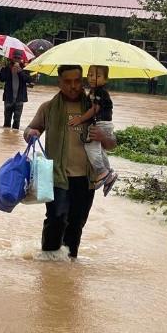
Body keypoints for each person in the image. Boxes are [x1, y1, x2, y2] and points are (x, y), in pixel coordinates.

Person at [24, 64, 116, 259]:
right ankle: (48, 263)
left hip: (86, 179)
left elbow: (111, 144)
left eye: (77, 81)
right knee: (56, 219)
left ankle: (69, 264)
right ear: (59, 82)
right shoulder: (48, 108)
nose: (73, 86)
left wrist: (103, 136)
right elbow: (31, 130)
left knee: (77, 223)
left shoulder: (95, 108)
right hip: (57, 176)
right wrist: (31, 133)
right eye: (67, 82)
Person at [67, 65, 118, 196]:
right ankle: (108, 174)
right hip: (104, 123)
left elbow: (94, 109)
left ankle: (103, 172)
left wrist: (80, 119)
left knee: (91, 148)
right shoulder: (93, 93)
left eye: (97, 76)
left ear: (105, 79)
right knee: (99, 150)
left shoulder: (100, 92)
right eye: (90, 75)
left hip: (101, 124)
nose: (92, 78)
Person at [0, 51, 30, 130]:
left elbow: (29, 80)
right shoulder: (7, 67)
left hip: (19, 99)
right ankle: (6, 140)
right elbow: (2, 79)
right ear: (12, 58)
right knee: (7, 121)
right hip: (8, 98)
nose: (16, 60)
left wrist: (20, 72)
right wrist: (5, 70)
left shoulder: (25, 68)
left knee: (17, 121)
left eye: (18, 58)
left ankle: (14, 139)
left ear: (21, 59)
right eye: (15, 58)